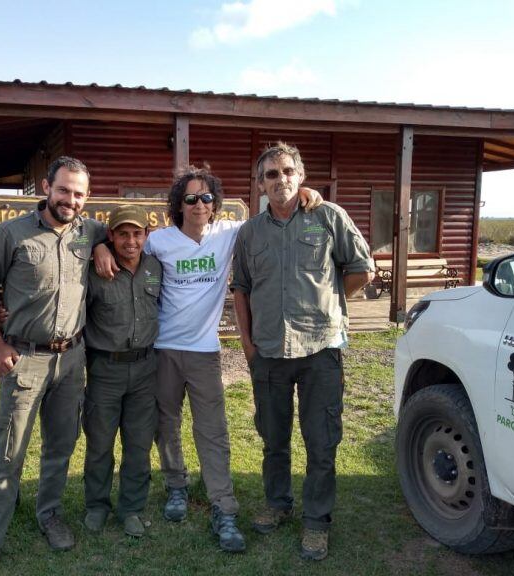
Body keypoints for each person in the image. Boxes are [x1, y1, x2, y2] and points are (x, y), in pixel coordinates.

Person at [95, 165, 322, 553]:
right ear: (178, 205)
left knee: (212, 430)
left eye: (205, 197)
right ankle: (176, 486)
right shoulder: (159, 242)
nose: (199, 204)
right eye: (190, 198)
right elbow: (120, 241)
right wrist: (101, 244)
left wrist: (306, 193)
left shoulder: (230, 233)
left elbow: (273, 217)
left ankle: (224, 505)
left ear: (214, 203)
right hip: (163, 350)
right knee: (165, 425)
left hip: (205, 351)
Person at [0, 156, 105, 576]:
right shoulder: (11, 234)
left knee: (60, 446)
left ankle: (50, 514)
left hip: (72, 359)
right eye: (63, 190)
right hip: (25, 359)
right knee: (8, 453)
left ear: (86, 197)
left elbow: (120, 236)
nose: (70, 200)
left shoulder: (89, 231)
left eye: (78, 194)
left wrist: (101, 244)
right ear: (46, 186)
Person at [231, 142, 374, 561]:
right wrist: (247, 342)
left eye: (288, 171)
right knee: (273, 438)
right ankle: (277, 504)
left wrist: (329, 304)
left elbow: (361, 269)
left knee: (321, 441)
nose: (281, 179)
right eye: (271, 174)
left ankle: (316, 521)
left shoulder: (329, 217)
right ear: (260, 184)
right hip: (270, 351)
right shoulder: (250, 232)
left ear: (301, 175)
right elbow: (241, 287)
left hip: (320, 350)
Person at [81, 205, 162, 538]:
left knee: (138, 445)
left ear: (146, 235)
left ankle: (131, 508)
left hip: (146, 370)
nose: (131, 241)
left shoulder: (156, 267)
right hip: (105, 369)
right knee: (100, 444)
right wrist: (97, 246)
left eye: (137, 233)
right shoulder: (93, 271)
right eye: (123, 234)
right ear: (111, 236)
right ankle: (97, 505)